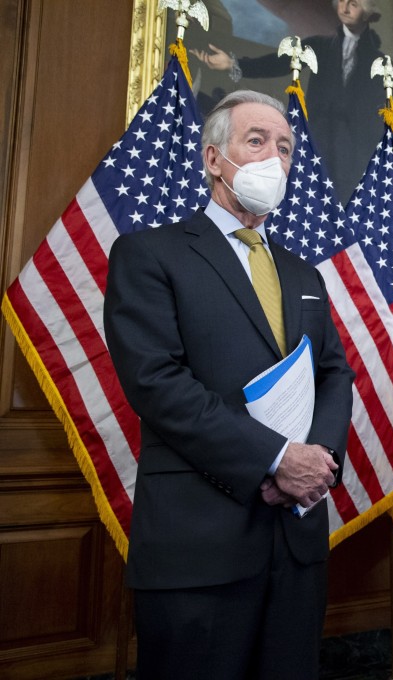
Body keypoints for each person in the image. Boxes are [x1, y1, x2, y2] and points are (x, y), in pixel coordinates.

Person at [104, 90, 356, 680]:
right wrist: (272, 460)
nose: (276, 157)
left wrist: (312, 463)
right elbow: (156, 381)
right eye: (257, 140)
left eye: (286, 147)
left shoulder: (302, 273)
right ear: (214, 159)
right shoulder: (149, 254)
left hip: (294, 543)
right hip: (198, 543)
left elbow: (333, 373)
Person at [192, 0, 393, 205]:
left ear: (368, 14)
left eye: (354, 3)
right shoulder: (319, 46)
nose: (345, 8)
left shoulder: (381, 64)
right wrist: (233, 63)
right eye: (342, 1)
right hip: (320, 144)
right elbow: (278, 62)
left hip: (356, 155)